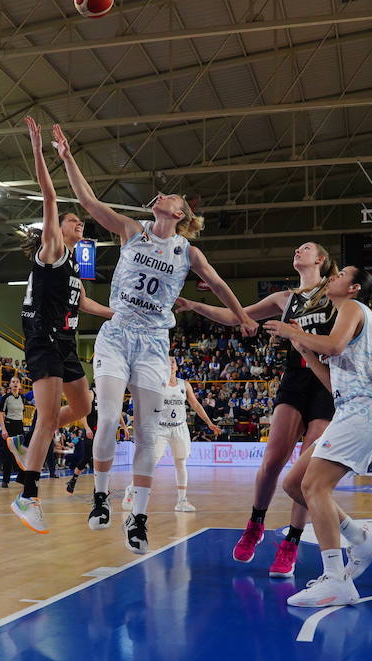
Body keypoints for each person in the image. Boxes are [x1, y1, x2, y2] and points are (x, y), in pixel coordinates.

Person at [55, 123, 255, 553]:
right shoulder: (132, 229)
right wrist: (67, 156)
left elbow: (218, 285)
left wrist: (241, 317)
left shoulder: (188, 253)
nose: (161, 195)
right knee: (107, 418)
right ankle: (101, 496)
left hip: (152, 343)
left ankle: (138, 518)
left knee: (147, 433)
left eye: (171, 196)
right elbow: (88, 201)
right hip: (116, 335)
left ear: (179, 214)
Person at [176, 241, 338, 577]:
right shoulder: (285, 299)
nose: (298, 250)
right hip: (295, 378)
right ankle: (255, 524)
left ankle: (291, 542)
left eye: (305, 248)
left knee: (308, 472)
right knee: (272, 459)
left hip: (328, 380)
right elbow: (237, 316)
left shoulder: (336, 294)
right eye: (297, 247)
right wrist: (195, 304)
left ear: (320, 259)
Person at [6, 117, 114, 534]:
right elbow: (49, 197)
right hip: (43, 340)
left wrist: (120, 314)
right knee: (49, 421)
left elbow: (84, 303)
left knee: (84, 409)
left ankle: (25, 441)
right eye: (75, 222)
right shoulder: (51, 249)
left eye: (80, 225)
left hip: (66, 341)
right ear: (59, 228)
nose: (79, 226)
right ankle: (26, 494)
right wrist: (40, 151)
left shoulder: (72, 267)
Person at [264, 266, 372, 607]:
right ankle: (361, 539)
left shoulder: (351, 308)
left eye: (341, 275)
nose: (332, 277)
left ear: (352, 288)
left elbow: (333, 346)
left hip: (366, 409)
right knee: (294, 483)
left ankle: (336, 579)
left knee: (314, 486)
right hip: (349, 407)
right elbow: (333, 383)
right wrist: (303, 348)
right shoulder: (344, 317)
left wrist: (293, 330)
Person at [122, 356, 220, 514]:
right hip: (160, 428)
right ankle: (132, 490)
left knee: (181, 462)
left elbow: (195, 404)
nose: (171, 365)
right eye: (167, 363)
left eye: (173, 362)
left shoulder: (184, 384)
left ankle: (181, 501)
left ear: (177, 366)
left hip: (180, 428)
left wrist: (209, 422)